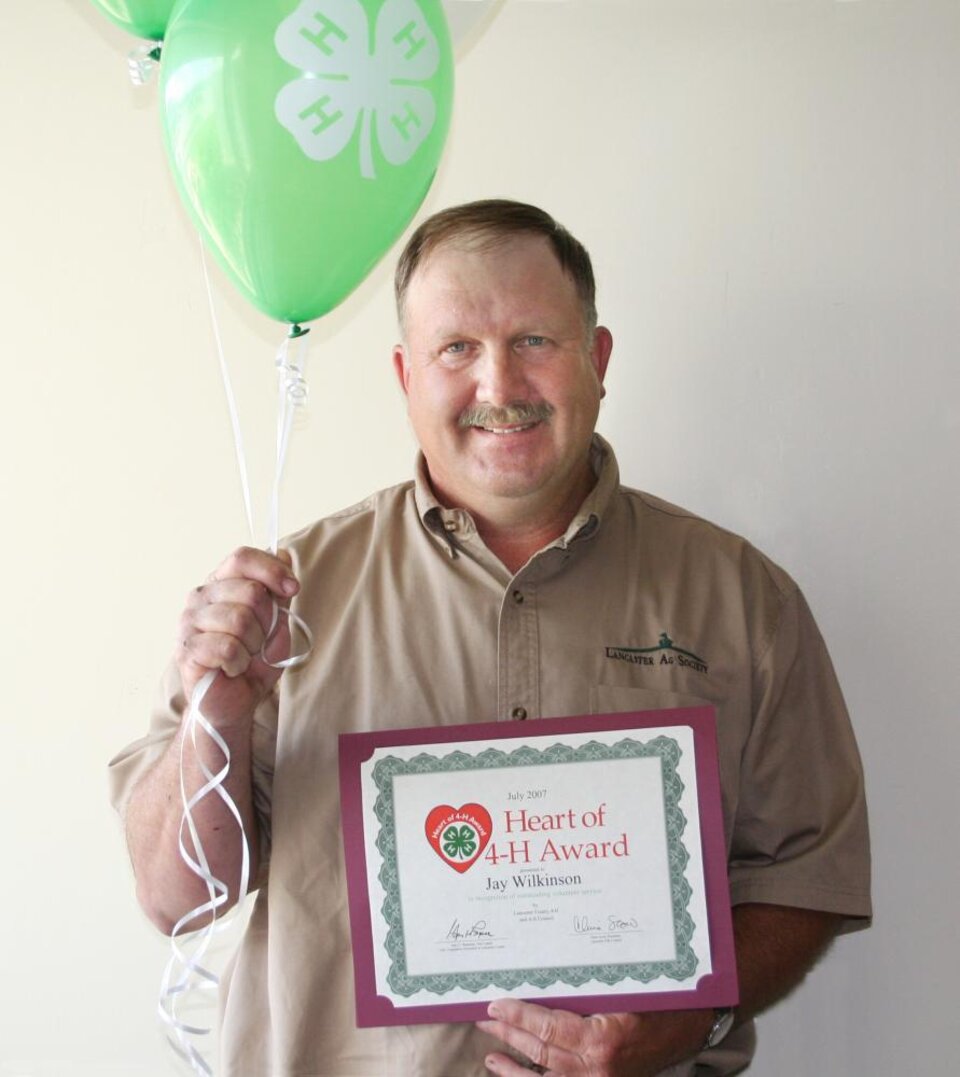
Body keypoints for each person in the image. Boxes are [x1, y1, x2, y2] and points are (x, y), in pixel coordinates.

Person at [109, 199, 871, 1076]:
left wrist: (684, 1022)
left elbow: (807, 881)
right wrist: (223, 707)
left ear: (598, 358)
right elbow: (175, 898)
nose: (500, 387)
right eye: (457, 348)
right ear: (406, 376)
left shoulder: (743, 598)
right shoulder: (280, 600)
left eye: (535, 341)